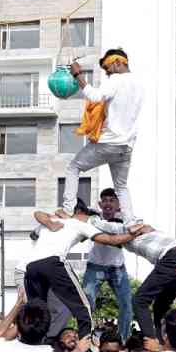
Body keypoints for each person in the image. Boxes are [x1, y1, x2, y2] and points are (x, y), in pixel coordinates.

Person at [21, 199, 138, 339]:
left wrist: (50, 223)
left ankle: (33, 343)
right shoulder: (81, 224)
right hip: (53, 263)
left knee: (36, 311)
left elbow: (37, 213)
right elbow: (110, 240)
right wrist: (133, 234)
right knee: (83, 307)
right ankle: (85, 347)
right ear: (81, 214)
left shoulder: (55, 219)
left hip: (31, 267)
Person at [63, 49, 144, 224]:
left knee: (73, 168)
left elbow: (94, 96)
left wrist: (78, 75)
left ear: (118, 63)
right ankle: (130, 221)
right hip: (126, 146)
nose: (107, 73)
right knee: (121, 187)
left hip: (108, 143)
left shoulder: (116, 80)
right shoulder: (138, 84)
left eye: (107, 68)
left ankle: (67, 210)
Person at [82, 188, 135, 342]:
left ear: (118, 205)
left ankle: (124, 340)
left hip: (117, 268)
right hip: (95, 266)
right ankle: (85, 338)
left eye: (112, 200)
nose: (108, 203)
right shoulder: (94, 217)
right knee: (87, 302)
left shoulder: (124, 221)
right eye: (105, 200)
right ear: (100, 203)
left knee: (126, 304)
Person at [124, 224, 176, 340]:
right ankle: (167, 341)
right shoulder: (153, 237)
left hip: (173, 257)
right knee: (161, 306)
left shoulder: (136, 231)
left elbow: (143, 227)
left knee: (139, 300)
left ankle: (151, 341)